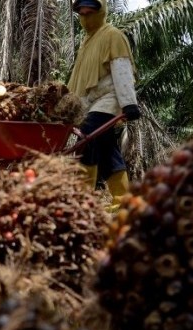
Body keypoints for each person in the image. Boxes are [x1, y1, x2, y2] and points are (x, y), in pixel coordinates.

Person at [68, 0, 141, 210]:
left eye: (90, 12)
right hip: (90, 104)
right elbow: (80, 81)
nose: (85, 17)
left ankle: (82, 201)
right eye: (81, 13)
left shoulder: (112, 36)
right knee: (107, 149)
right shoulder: (87, 42)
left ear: (101, 11)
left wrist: (129, 103)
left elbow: (121, 69)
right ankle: (123, 200)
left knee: (86, 138)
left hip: (108, 99)